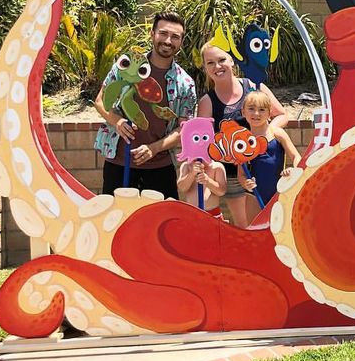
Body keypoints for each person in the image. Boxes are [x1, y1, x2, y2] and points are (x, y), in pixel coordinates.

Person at [94, 12, 196, 198]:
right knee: (119, 222)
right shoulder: (125, 66)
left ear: (181, 41)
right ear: (152, 33)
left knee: (159, 224)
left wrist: (154, 148)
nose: (168, 41)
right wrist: (117, 122)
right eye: (163, 33)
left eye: (175, 37)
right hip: (119, 162)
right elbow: (100, 100)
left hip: (160, 167)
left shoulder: (185, 82)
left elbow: (184, 130)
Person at [197, 42, 288, 226]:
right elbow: (203, 143)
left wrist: (266, 133)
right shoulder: (207, 102)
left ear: (232, 60)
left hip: (264, 170)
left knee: (275, 222)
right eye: (210, 63)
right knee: (246, 226)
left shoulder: (254, 85)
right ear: (205, 68)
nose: (217, 66)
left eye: (222, 59)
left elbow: (282, 114)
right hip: (233, 174)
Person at [238, 91, 302, 223]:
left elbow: (296, 157)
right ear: (243, 112)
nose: (256, 114)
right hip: (254, 195)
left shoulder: (277, 133)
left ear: (269, 113)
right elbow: (241, 174)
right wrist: (246, 183)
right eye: (251, 109)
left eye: (262, 110)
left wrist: (292, 171)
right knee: (255, 231)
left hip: (279, 191)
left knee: (281, 232)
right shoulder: (242, 141)